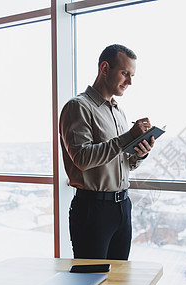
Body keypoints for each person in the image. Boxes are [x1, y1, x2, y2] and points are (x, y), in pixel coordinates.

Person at [59, 44, 154, 260]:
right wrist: (129, 137)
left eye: (132, 75)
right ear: (104, 68)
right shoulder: (78, 107)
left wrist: (140, 153)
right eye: (125, 73)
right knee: (91, 282)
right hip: (93, 210)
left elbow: (122, 161)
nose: (130, 82)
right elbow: (82, 159)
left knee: (119, 282)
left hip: (123, 207)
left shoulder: (118, 112)